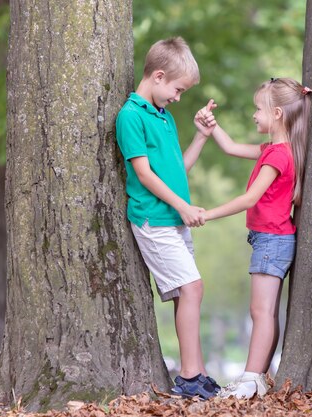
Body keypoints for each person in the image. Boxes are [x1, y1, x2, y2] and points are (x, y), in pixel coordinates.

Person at [115, 37, 220, 400]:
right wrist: (185, 207)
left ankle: (199, 373)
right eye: (177, 89)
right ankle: (190, 378)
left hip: (172, 220)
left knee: (185, 293)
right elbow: (144, 174)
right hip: (153, 220)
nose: (178, 97)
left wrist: (202, 137)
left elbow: (178, 169)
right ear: (158, 76)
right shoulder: (131, 116)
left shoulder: (165, 117)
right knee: (193, 288)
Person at [196, 77, 312, 399]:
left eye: (257, 110)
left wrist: (207, 214)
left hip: (271, 241)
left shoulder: (278, 156)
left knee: (260, 313)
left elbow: (249, 199)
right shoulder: (275, 150)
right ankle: (257, 375)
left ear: (277, 113)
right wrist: (212, 126)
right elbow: (232, 147)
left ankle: (251, 378)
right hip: (272, 240)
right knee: (265, 312)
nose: (253, 115)